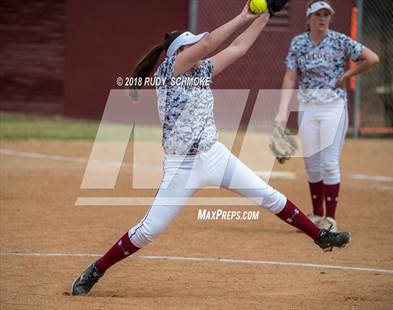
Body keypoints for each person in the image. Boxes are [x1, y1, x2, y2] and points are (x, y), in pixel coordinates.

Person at [71, 1, 351, 296]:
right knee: (149, 230)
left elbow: (240, 47)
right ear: (179, 51)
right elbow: (206, 46)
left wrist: (267, 14)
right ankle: (97, 269)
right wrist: (243, 15)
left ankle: (319, 235)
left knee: (268, 195)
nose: (198, 46)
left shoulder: (201, 70)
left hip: (214, 154)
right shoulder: (170, 69)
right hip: (182, 165)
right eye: (190, 44)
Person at [274, 0, 379, 232]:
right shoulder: (299, 43)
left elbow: (372, 58)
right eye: (317, 14)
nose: (322, 18)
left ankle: (330, 219)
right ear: (308, 18)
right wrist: (283, 110)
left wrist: (349, 74)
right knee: (312, 164)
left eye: (326, 14)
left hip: (333, 107)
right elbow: (290, 77)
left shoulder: (339, 40)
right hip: (307, 108)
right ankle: (317, 214)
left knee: (329, 163)